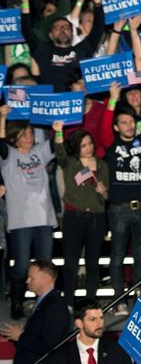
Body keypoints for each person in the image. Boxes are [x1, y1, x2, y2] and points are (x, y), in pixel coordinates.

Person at [100, 86, 141, 316]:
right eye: (123, 122)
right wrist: (113, 101)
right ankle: (119, 300)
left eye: (131, 122)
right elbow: (104, 127)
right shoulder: (111, 144)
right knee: (117, 257)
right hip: (119, 210)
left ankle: (139, 299)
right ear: (116, 127)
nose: (129, 125)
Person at [0, 108, 58, 319]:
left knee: (45, 263)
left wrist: (58, 129)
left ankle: (45, 303)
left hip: (43, 217)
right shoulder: (9, 155)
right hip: (20, 220)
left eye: (31, 133)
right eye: (24, 134)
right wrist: (2, 117)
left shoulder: (39, 152)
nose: (30, 137)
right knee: (23, 264)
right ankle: (17, 302)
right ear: (14, 137)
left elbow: (55, 144)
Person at [54, 123, 109, 302]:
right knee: (71, 263)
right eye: (83, 145)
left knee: (92, 263)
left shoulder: (102, 165)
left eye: (90, 144)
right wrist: (58, 132)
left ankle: (90, 302)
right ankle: (68, 303)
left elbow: (107, 196)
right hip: (74, 217)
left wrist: (104, 191)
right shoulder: (70, 163)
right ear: (76, 147)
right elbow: (59, 152)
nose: (88, 148)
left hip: (96, 218)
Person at [18, 0, 105, 92]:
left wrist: (97, 3)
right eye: (57, 28)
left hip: (76, 103)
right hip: (52, 104)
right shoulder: (43, 52)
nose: (62, 29)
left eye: (66, 27)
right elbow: (27, 32)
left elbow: (98, 29)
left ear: (72, 34)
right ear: (50, 35)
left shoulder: (83, 50)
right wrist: (25, 2)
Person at [0, 260, 71, 364]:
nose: (27, 281)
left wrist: (21, 336)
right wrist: (16, 335)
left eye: (31, 278)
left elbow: (49, 346)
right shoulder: (46, 303)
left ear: (45, 279)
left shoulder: (55, 307)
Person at [49, 298, 132, 364]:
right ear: (79, 323)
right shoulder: (61, 356)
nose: (99, 324)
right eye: (93, 319)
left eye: (101, 318)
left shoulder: (117, 352)